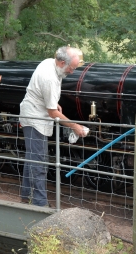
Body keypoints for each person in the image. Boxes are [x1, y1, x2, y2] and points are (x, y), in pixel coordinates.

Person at [19, 46, 87, 206]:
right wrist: (74, 126)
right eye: (71, 68)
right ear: (62, 62)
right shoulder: (49, 77)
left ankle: (26, 197)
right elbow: (52, 113)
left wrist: (53, 103)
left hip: (34, 113)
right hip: (35, 117)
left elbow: (46, 99)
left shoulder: (50, 62)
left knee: (32, 158)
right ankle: (40, 203)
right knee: (39, 162)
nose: (72, 72)